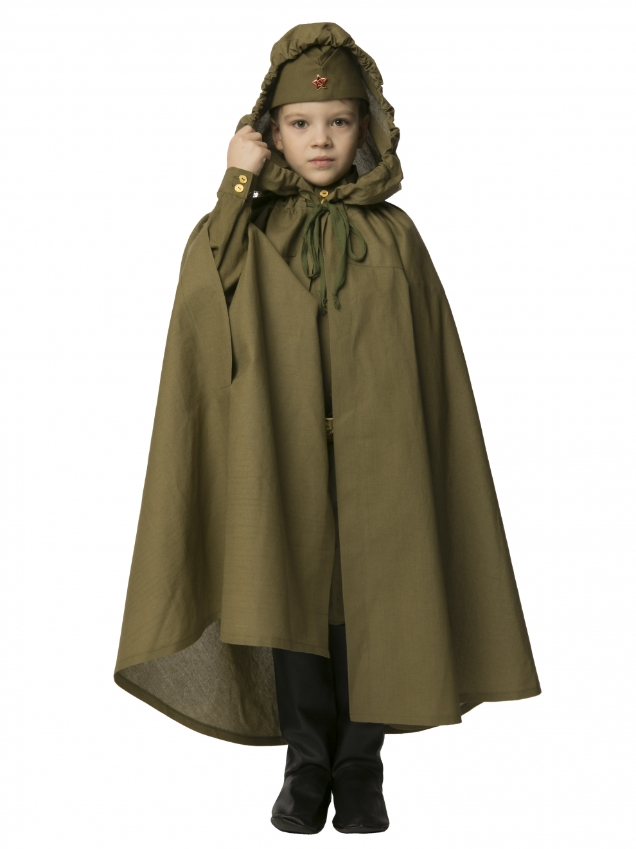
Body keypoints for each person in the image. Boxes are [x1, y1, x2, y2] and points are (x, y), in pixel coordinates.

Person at [113, 22, 542, 836]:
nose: (320, 139)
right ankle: (307, 761)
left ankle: (360, 765)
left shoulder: (396, 235)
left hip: (384, 459)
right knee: (288, 590)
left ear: (366, 129)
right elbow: (206, 285)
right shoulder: (250, 227)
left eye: (338, 122)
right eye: (300, 123)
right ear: (270, 132)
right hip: (280, 452)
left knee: (375, 599)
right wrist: (235, 181)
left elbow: (431, 365)